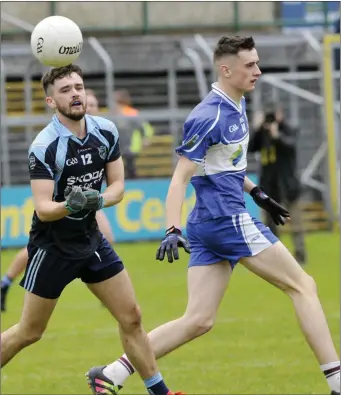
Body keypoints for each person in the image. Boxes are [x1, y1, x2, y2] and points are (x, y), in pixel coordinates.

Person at [86, 36, 340, 395]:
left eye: (257, 63)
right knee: (303, 286)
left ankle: (112, 373)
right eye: (250, 65)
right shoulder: (209, 115)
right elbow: (180, 178)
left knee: (198, 320)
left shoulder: (236, 104)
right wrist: (171, 228)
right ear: (226, 69)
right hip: (227, 220)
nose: (258, 71)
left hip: (210, 223)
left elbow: (224, 166)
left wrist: (257, 192)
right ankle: (337, 382)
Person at [0, 64, 182, 395]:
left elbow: (118, 188)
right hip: (52, 246)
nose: (75, 94)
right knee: (29, 331)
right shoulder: (45, 146)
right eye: (66, 90)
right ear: (51, 101)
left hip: (91, 239)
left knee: (132, 318)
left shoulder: (106, 131)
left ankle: (161, 392)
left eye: (79, 87)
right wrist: (70, 205)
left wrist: (93, 201)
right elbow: (43, 208)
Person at [0, 89, 115, 312]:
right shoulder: (54, 140)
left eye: (93, 105)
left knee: (107, 237)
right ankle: (5, 281)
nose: (89, 107)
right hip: (59, 204)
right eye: (87, 103)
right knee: (32, 251)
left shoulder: (99, 134)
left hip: (88, 202)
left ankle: (108, 286)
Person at [248, 108, 307, 265]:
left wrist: (277, 135)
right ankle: (276, 256)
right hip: (269, 186)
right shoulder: (262, 133)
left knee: (296, 222)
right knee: (270, 224)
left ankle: (300, 254)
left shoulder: (288, 129)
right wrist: (257, 128)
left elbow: (290, 145)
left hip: (288, 186)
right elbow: (250, 148)